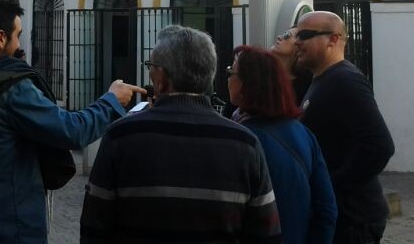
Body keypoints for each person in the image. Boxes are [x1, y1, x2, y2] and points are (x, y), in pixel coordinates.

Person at [0, 0, 144, 244]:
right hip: (3, 231)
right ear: (0, 38)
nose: (19, 44)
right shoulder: (9, 86)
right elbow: (71, 130)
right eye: (18, 35)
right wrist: (110, 101)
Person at [80, 25, 282, 243]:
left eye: (151, 66)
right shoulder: (245, 143)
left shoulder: (121, 136)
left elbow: (94, 227)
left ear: (160, 76)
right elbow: (266, 233)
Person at [295, 11, 395, 244]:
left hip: (353, 220)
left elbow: (379, 145)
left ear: (333, 39)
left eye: (306, 35)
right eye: (297, 34)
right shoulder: (322, 79)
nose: (297, 41)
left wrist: (331, 185)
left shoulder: (345, 80)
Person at [229, 45, 336, 244]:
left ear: (247, 84)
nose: (228, 79)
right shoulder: (303, 133)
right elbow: (327, 209)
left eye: (231, 72)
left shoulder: (241, 138)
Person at [272, 26, 313, 104]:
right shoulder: (261, 74)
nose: (279, 37)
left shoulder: (305, 84)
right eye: (283, 33)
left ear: (299, 44)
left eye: (287, 35)